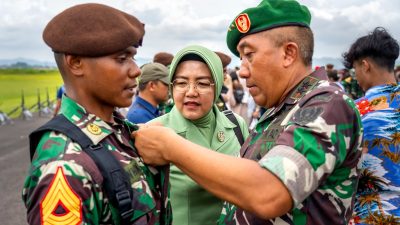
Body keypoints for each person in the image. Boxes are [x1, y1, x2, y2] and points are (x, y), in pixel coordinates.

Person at [133, 1, 363, 224]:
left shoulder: (327, 105)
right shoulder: (282, 109)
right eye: (241, 59)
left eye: (249, 55)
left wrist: (170, 147)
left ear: (288, 54)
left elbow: (269, 192)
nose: (241, 72)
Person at [22, 3, 171, 225]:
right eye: (122, 59)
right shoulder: (64, 166)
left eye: (133, 57)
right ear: (76, 63)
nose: (136, 70)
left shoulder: (119, 130)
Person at [151, 45, 249, 225]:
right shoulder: (154, 131)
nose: (191, 92)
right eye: (181, 83)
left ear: (217, 86)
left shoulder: (236, 124)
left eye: (203, 83)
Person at [343, 27, 400, 225]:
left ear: (365, 65)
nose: (356, 76)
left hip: (369, 215)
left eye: (355, 69)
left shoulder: (353, 112)